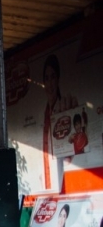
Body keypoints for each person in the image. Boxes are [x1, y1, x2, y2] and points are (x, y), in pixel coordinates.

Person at [41, 54, 77, 190]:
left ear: (58, 79)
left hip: (63, 179)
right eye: (46, 78)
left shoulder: (64, 109)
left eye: (53, 77)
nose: (50, 83)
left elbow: (69, 156)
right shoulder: (45, 112)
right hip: (47, 182)